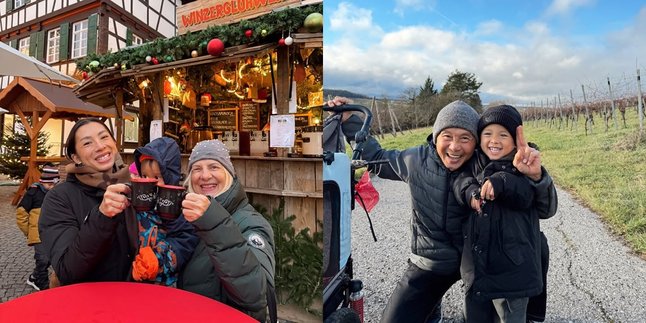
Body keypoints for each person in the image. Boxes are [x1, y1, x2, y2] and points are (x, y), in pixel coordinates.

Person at [329, 97, 557, 322]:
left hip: (480, 263)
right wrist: (350, 121)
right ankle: (432, 309)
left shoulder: (484, 161)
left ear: (476, 142)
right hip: (432, 262)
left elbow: (538, 202)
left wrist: (536, 175)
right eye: (447, 136)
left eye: (465, 138)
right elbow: (377, 157)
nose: (455, 147)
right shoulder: (414, 160)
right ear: (436, 136)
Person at [453, 105, 555, 322]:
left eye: (503, 134)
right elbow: (460, 183)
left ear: (516, 138)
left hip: (513, 273)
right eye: (487, 134)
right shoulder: (474, 163)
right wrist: (472, 191)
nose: (494, 140)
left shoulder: (522, 166)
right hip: (477, 268)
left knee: (510, 316)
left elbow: (538, 204)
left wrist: (531, 177)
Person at [177, 139, 276, 322]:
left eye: (214, 166)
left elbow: (257, 293)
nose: (205, 176)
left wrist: (213, 221)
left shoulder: (252, 223)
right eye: (197, 169)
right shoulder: (186, 217)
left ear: (229, 173)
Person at [39, 118, 136, 286]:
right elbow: (67, 271)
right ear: (76, 157)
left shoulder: (135, 185)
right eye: (87, 143)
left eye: (104, 137)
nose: (100, 146)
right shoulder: (59, 198)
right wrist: (102, 216)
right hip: (90, 304)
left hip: (138, 297)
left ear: (114, 143)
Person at [129, 137, 199, 286]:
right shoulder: (135, 203)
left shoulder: (179, 209)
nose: (149, 181)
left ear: (169, 178)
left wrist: (157, 259)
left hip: (164, 284)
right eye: (145, 176)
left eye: (156, 177)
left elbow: (184, 242)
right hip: (131, 280)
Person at [16, 164, 60, 291]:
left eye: (54, 185)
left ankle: (34, 277)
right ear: (43, 182)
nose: (52, 187)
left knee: (50, 259)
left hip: (52, 233)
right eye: (49, 184)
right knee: (42, 258)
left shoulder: (57, 193)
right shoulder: (33, 192)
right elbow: (21, 213)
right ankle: (42, 284)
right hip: (37, 234)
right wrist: (29, 232)